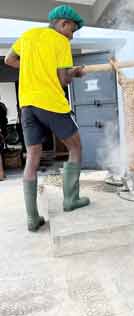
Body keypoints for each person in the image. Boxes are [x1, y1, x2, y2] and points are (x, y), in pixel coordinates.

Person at [5, 5, 90, 232]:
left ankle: (32, 218)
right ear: (63, 24)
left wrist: (35, 68)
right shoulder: (60, 42)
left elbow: (9, 60)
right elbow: (63, 80)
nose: (72, 36)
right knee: (76, 147)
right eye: (72, 30)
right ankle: (71, 200)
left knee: (32, 155)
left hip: (27, 105)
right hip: (50, 102)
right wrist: (76, 73)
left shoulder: (28, 36)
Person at [0, 101, 8, 180]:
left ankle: (1, 175)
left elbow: (4, 120)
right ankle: (2, 174)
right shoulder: (2, 106)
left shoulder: (1, 106)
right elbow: (5, 120)